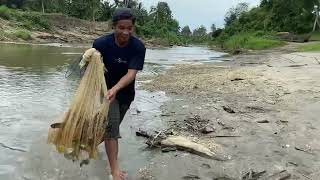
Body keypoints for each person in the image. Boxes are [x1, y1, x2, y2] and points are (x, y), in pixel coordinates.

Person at [92, 8, 146, 180]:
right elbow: (92, 69)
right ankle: (115, 170)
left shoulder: (138, 47)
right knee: (112, 130)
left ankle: (88, 146)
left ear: (133, 28)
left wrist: (116, 89)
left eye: (129, 28)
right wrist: (104, 91)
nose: (125, 32)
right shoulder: (100, 44)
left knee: (108, 130)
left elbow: (131, 74)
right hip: (105, 92)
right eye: (121, 27)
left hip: (125, 94)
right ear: (113, 26)